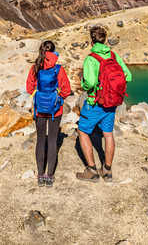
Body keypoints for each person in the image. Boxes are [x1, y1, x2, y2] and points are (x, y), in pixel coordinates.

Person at [76, 26, 132, 183]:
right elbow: (128, 76)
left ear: (92, 40)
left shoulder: (91, 58)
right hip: (112, 103)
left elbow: (90, 82)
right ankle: (107, 171)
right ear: (105, 39)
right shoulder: (113, 55)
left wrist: (84, 85)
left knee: (82, 131)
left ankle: (92, 171)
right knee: (108, 134)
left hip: (95, 102)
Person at [26, 40, 71, 187]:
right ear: (54, 51)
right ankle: (50, 176)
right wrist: (58, 99)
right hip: (55, 110)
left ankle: (40, 175)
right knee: (52, 141)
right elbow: (66, 89)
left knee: (40, 140)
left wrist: (38, 96)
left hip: (39, 109)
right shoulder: (58, 69)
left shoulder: (35, 67)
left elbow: (29, 87)